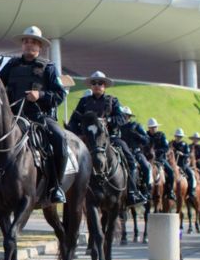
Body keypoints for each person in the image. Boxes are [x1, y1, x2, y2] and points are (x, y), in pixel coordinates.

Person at [0, 25, 67, 205]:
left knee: (59, 140)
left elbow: (60, 95)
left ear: (40, 46)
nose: (29, 45)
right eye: (26, 41)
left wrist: (40, 95)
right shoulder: (11, 65)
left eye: (33, 42)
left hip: (40, 117)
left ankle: (55, 187)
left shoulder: (48, 68)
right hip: (13, 117)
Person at [66, 71, 144, 205]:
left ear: (104, 86)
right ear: (91, 86)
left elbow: (121, 118)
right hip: (88, 140)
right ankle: (65, 190)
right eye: (94, 83)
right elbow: (74, 121)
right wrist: (78, 133)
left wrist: (107, 120)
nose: (97, 85)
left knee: (130, 159)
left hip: (110, 139)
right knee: (68, 158)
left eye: (100, 83)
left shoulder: (112, 101)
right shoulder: (84, 102)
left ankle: (132, 192)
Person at [119, 107, 151, 203]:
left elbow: (146, 139)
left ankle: (145, 190)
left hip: (135, 152)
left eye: (126, 116)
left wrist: (136, 134)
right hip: (121, 152)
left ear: (129, 117)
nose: (124, 117)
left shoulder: (136, 126)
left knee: (146, 167)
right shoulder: (117, 126)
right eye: (122, 115)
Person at [146, 118, 176, 201]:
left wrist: (156, 151)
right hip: (148, 159)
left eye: (155, 127)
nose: (153, 128)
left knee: (170, 172)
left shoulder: (161, 135)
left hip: (160, 159)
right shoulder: (145, 135)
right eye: (151, 127)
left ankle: (170, 191)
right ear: (148, 128)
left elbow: (166, 148)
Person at [171, 128, 197, 203]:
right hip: (173, 164)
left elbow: (188, 154)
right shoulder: (171, 144)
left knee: (191, 175)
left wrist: (182, 154)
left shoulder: (185, 145)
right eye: (177, 136)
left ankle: (191, 192)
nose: (178, 137)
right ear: (175, 136)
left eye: (180, 136)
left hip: (182, 164)